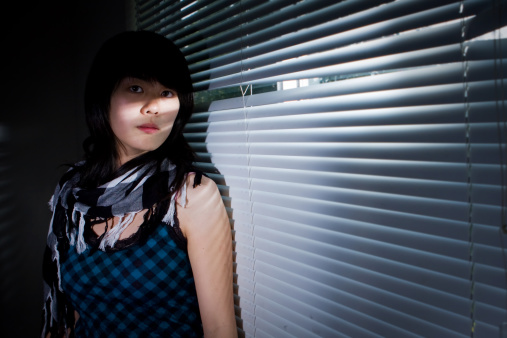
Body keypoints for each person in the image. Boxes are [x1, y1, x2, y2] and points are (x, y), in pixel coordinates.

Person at [41, 30, 237, 337]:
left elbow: (219, 329)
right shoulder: (73, 194)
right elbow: (73, 315)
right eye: (136, 88)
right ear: (102, 98)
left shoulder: (190, 196)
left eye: (167, 93)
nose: (154, 107)